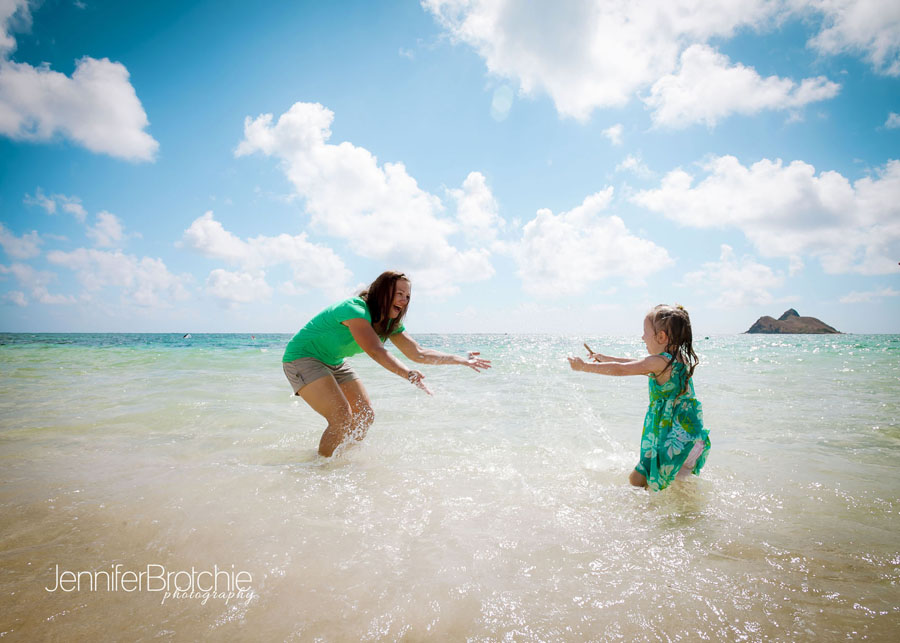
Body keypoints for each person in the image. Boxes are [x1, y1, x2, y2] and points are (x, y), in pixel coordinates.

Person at [283, 270, 491, 456]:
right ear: (382, 292)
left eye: (407, 296)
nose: (404, 300)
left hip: (334, 361)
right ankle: (321, 468)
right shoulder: (354, 309)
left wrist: (462, 360)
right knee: (341, 418)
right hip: (302, 357)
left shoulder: (389, 323)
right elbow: (376, 351)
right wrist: (408, 374)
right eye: (399, 294)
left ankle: (341, 458)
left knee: (365, 415)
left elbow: (418, 352)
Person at [567, 304, 710, 491]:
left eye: (645, 332)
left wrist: (584, 367)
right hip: (689, 438)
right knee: (669, 486)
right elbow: (636, 364)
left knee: (638, 480)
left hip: (670, 438)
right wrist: (604, 358)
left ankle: (639, 513)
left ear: (661, 337)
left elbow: (624, 369)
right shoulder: (678, 359)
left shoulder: (659, 361)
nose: (642, 337)